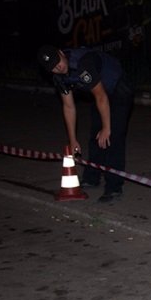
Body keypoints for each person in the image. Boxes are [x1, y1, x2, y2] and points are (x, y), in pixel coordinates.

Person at [37, 45, 133, 203]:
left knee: (113, 136)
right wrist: (72, 140)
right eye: (53, 67)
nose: (58, 67)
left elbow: (101, 97)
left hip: (118, 87)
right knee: (96, 134)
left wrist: (107, 128)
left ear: (61, 53)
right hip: (100, 91)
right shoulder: (59, 78)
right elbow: (69, 107)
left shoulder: (83, 64)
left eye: (58, 61)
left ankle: (114, 187)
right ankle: (92, 178)